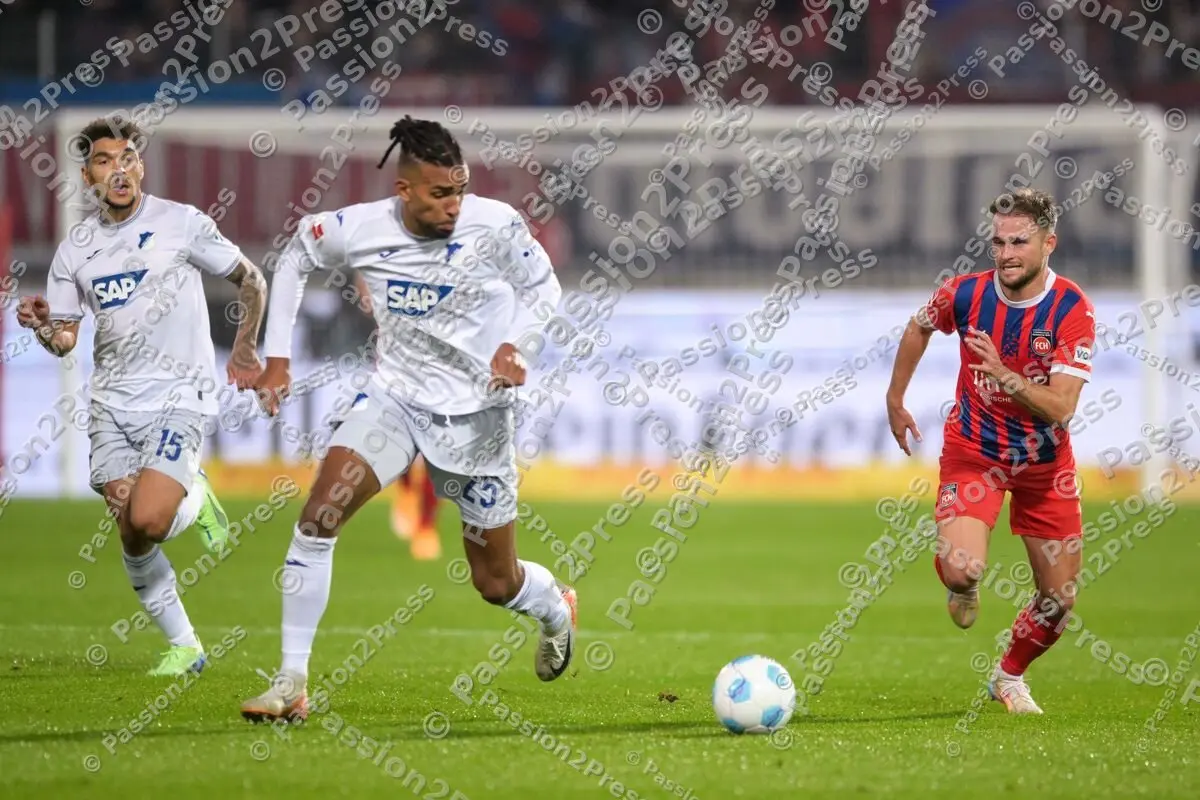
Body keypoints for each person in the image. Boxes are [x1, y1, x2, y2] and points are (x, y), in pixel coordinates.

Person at [240, 116, 576, 723]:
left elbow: (545, 288)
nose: (454, 205)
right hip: (394, 399)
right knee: (319, 516)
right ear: (406, 191)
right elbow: (294, 257)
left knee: (495, 582)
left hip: (479, 415)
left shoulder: (495, 224)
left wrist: (517, 346)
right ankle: (291, 682)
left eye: (460, 189)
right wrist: (279, 360)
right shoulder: (358, 228)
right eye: (441, 193)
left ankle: (555, 608)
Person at [15, 116, 267, 677]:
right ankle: (186, 646)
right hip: (110, 402)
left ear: (141, 165)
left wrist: (246, 348)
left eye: (128, 157)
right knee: (129, 525)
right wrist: (41, 327)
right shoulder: (75, 251)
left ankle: (194, 498)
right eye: (105, 161)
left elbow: (251, 279)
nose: (119, 169)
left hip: (180, 394)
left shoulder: (181, 223)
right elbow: (65, 340)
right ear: (88, 176)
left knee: (149, 520)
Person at [885, 188, 1096, 714]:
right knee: (961, 569)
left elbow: (1061, 407)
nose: (1005, 254)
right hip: (975, 453)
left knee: (1059, 601)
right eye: (998, 242)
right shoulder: (965, 294)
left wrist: (1003, 373)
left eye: (1019, 242)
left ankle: (1008, 676)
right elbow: (919, 326)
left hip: (1046, 469)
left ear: (1050, 242)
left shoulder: (1073, 310)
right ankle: (960, 585)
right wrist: (895, 397)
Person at [352, 270, 442, 559]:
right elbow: (365, 291)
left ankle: (426, 526)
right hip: (394, 370)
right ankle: (405, 488)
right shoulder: (389, 248)